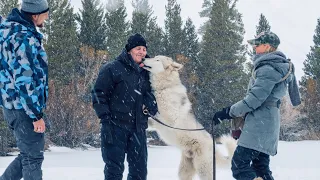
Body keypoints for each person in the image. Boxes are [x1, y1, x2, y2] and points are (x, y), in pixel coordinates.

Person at [213, 31, 301, 180]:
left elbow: (254, 99)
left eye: (257, 44)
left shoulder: (268, 68)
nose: (254, 47)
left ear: (267, 47)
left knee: (239, 165)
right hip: (268, 122)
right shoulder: (279, 66)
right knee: (261, 168)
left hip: (259, 123)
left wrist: (229, 112)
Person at [92, 33, 158, 180]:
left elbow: (151, 93)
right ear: (129, 50)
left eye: (144, 49)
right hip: (115, 128)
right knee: (114, 172)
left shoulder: (147, 72)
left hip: (138, 129)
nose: (142, 52)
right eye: (138, 48)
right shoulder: (112, 68)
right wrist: (105, 120)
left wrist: (152, 104)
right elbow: (98, 94)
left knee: (139, 173)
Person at [0, 0, 49, 180]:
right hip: (23, 108)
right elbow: (24, 79)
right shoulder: (23, 37)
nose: (47, 17)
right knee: (33, 158)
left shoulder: (8, 30)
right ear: (34, 15)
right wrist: (35, 115)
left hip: (11, 104)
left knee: (27, 155)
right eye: (45, 13)